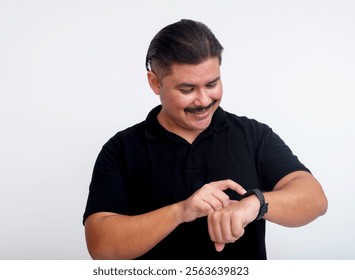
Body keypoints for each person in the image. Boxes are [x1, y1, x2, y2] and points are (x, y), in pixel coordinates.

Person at [83, 19, 328, 260]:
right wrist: (181, 211)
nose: (203, 100)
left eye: (212, 84)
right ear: (155, 83)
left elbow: (314, 199)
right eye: (187, 89)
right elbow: (101, 247)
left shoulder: (254, 135)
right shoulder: (121, 148)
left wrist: (256, 204)